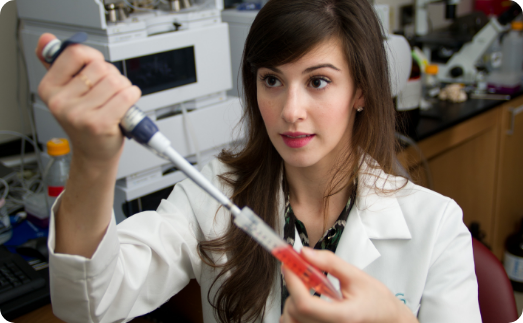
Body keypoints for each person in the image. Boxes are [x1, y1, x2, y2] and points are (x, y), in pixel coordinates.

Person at [36, 0, 481, 322]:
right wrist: (94, 163)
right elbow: (91, 302)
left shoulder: (436, 226)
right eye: (272, 79)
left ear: (360, 91)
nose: (290, 110)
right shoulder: (212, 195)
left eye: (319, 81)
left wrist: (394, 322)